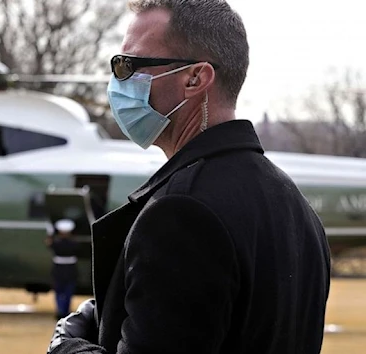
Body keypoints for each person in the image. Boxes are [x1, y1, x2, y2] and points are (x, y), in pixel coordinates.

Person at [47, 1, 331, 353]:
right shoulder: (295, 205)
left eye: (128, 65)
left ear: (195, 78)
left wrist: (69, 350)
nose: (116, 79)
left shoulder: (181, 213)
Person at [46, 218, 80, 320]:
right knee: (68, 292)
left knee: (59, 292)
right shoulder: (74, 244)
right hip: (70, 270)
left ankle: (60, 310)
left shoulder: (56, 243)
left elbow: (48, 243)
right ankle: (65, 311)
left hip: (58, 269)